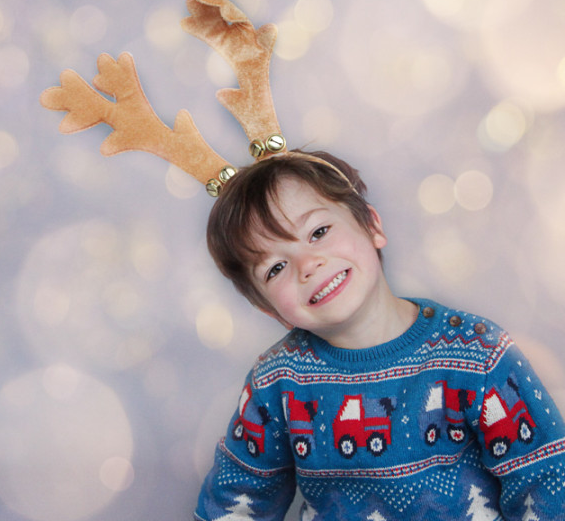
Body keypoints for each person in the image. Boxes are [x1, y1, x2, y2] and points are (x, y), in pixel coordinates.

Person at [195, 150, 565, 520]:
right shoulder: (276, 381)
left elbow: (545, 478)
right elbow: (237, 498)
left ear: (372, 226)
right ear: (269, 310)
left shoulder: (476, 352)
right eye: (276, 267)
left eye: (319, 232)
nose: (308, 266)